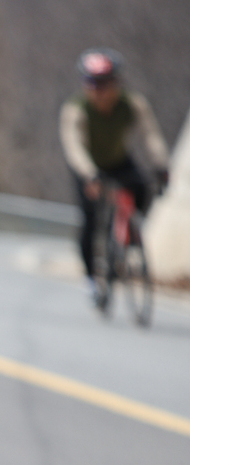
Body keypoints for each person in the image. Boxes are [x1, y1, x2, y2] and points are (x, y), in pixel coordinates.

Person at [60, 48, 170, 303]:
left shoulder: (132, 104)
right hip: (89, 167)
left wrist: (161, 165)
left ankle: (125, 235)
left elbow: (150, 135)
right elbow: (74, 146)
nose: (99, 91)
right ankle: (91, 276)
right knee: (89, 218)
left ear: (115, 83)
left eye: (104, 83)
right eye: (92, 83)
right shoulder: (76, 110)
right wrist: (90, 175)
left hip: (119, 162)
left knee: (142, 188)